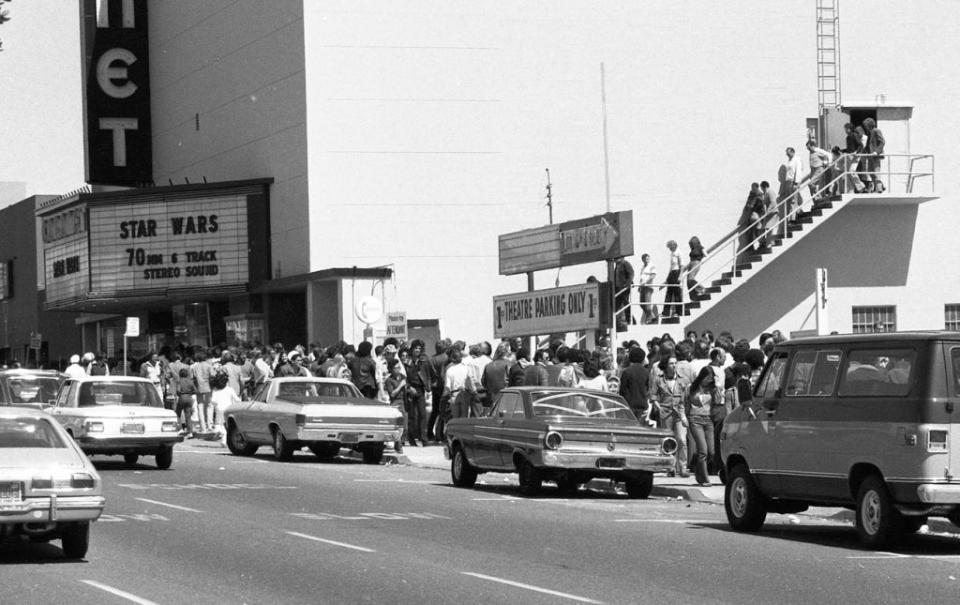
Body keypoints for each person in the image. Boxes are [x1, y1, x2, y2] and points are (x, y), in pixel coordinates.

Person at [652, 355, 689, 477]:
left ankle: (683, 467)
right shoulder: (659, 379)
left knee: (682, 440)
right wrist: (659, 408)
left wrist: (684, 415)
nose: (674, 366)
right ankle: (670, 467)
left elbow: (685, 398)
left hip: (679, 412)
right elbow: (653, 396)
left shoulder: (682, 379)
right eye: (671, 364)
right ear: (666, 366)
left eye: (675, 363)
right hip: (666, 413)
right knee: (668, 441)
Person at [686, 366, 718, 486]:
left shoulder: (712, 389)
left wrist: (718, 388)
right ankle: (704, 478)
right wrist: (685, 417)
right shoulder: (692, 388)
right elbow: (686, 403)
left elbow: (719, 401)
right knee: (703, 450)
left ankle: (698, 473)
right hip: (695, 420)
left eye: (710, 378)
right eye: (707, 378)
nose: (708, 381)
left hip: (708, 420)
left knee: (711, 451)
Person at [618, 347, 650, 422]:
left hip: (629, 405)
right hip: (642, 405)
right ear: (643, 359)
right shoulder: (646, 372)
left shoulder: (626, 372)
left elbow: (622, 390)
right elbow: (648, 389)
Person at [777, 146, 802, 235]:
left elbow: (798, 171)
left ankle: (793, 218)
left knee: (792, 200)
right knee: (790, 201)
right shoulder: (789, 160)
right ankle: (797, 213)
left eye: (788, 153)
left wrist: (796, 182)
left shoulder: (796, 159)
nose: (787, 154)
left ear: (792, 151)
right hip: (788, 182)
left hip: (792, 181)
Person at [384, 359, 407, 453]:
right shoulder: (389, 380)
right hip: (395, 403)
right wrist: (401, 386)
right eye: (396, 368)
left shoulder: (402, 377)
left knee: (405, 426)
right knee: (398, 426)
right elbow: (392, 394)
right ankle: (398, 445)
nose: (398, 370)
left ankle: (400, 443)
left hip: (403, 402)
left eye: (399, 367)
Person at [209, 370, 239, 444]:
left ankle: (219, 432)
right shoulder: (230, 389)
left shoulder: (215, 390)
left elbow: (213, 401)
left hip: (219, 409)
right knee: (226, 425)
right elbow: (237, 399)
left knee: (219, 424)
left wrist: (215, 404)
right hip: (229, 409)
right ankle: (224, 440)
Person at [863, 117, 886, 193]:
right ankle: (879, 185)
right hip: (870, 155)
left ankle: (879, 188)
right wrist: (863, 152)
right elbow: (868, 144)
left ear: (869, 125)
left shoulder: (876, 131)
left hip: (876, 155)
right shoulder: (870, 133)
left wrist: (877, 151)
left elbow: (882, 142)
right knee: (870, 171)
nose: (865, 127)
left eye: (866, 125)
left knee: (876, 171)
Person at [806, 139, 832, 203]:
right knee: (813, 186)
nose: (808, 149)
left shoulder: (817, 151)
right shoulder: (811, 152)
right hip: (813, 170)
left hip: (819, 169)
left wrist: (827, 163)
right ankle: (816, 201)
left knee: (811, 184)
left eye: (809, 147)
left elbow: (827, 155)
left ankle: (819, 198)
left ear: (812, 146)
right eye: (807, 148)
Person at [662, 240, 683, 319]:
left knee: (677, 293)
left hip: (677, 273)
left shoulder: (678, 253)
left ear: (674, 245)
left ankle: (678, 312)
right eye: (669, 247)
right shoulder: (672, 254)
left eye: (670, 247)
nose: (670, 249)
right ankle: (666, 312)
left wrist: (680, 276)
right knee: (669, 293)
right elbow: (671, 267)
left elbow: (682, 265)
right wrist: (667, 278)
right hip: (672, 273)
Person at [613, 255, 635, 330]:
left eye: (616, 258)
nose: (615, 260)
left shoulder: (625, 263)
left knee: (626, 303)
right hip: (618, 288)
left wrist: (627, 283)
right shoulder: (617, 266)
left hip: (624, 287)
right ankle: (619, 321)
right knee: (617, 305)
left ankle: (630, 320)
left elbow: (631, 273)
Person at [638, 253, 659, 324]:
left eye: (647, 258)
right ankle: (652, 317)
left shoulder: (651, 266)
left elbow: (653, 276)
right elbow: (642, 278)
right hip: (642, 287)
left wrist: (646, 282)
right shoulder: (643, 267)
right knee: (641, 304)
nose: (646, 260)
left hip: (648, 287)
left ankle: (650, 319)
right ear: (642, 260)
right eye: (644, 259)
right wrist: (639, 286)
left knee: (647, 305)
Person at [758, 181, 777, 250]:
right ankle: (770, 242)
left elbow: (773, 202)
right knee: (763, 228)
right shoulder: (765, 194)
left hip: (772, 213)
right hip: (768, 214)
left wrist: (768, 210)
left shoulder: (770, 192)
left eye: (762, 188)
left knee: (769, 227)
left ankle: (769, 244)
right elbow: (764, 203)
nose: (762, 189)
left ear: (765, 187)